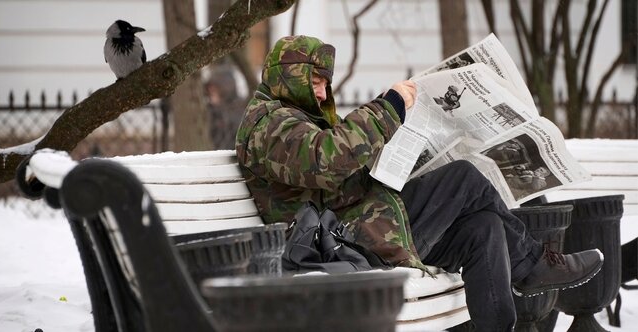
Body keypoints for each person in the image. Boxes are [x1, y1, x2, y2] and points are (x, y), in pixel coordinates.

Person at [235, 35, 603, 331]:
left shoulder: (296, 120)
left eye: (324, 84)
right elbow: (325, 161)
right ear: (289, 75)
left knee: (483, 227)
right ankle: (531, 265)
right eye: (314, 81)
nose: (321, 92)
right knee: (464, 179)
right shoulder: (269, 125)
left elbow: (338, 167)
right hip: (344, 245)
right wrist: (389, 107)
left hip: (374, 227)